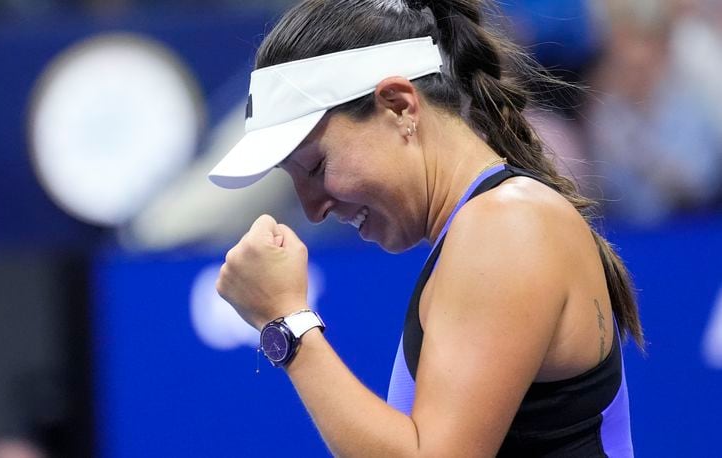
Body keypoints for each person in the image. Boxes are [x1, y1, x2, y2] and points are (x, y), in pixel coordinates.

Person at [209, 0, 643, 456]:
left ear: (399, 107)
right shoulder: (493, 223)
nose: (312, 209)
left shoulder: (506, 226)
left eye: (316, 166)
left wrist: (286, 320)